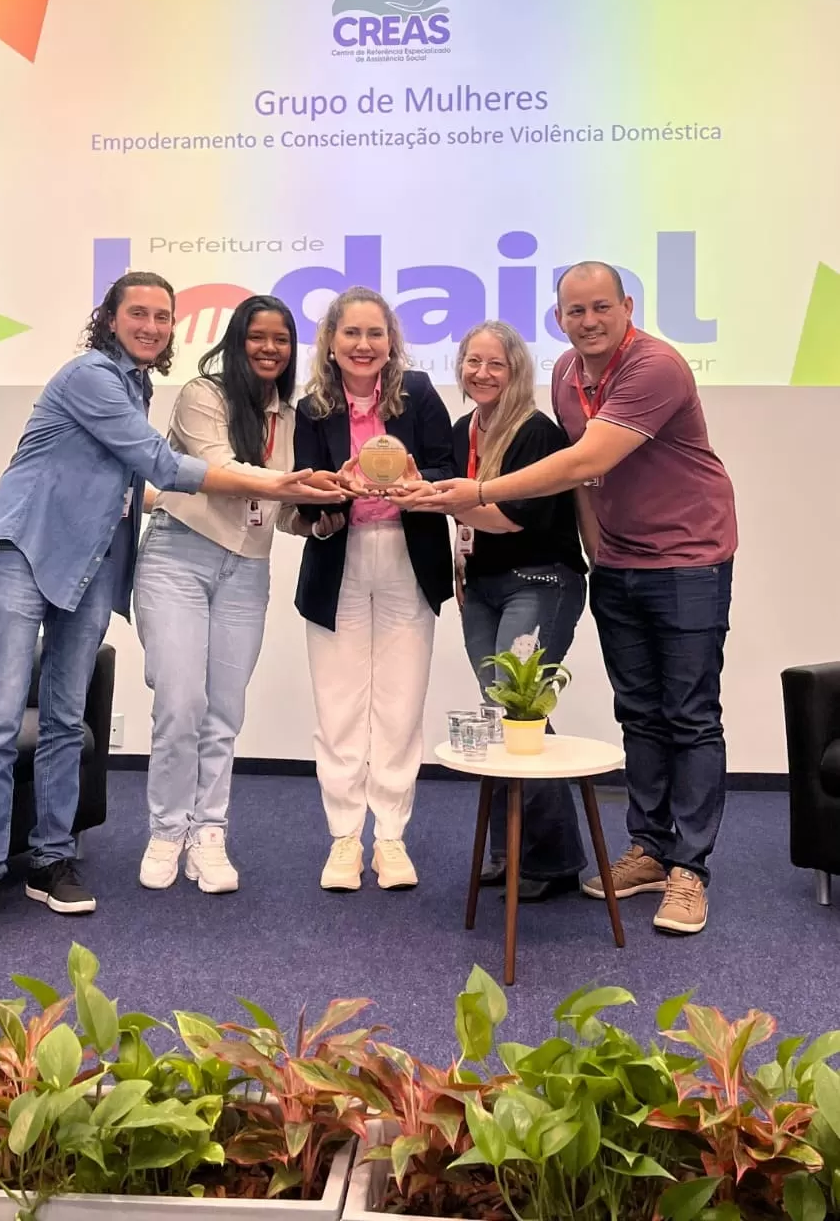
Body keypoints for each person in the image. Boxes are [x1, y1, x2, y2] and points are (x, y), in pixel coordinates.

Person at [0, 272, 342, 948]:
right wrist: (285, 483)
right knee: (1, 721)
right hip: (23, 549)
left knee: (65, 719)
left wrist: (306, 507)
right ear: (110, 317)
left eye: (163, 317)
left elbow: (134, 487)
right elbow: (160, 464)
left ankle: (50, 859)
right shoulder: (92, 376)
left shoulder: (139, 387)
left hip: (91, 563)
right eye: (139, 313)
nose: (152, 327)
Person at [410, 262, 737, 937]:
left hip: (688, 560)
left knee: (690, 714)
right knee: (639, 713)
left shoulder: (655, 367)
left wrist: (479, 491)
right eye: (575, 311)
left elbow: (587, 461)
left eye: (600, 308)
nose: (588, 321)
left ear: (627, 306)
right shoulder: (567, 374)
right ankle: (649, 848)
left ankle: (690, 869)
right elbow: (584, 488)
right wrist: (596, 556)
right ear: (559, 318)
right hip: (617, 564)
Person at [134, 296, 326, 896]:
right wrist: (297, 486)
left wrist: (320, 518)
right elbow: (219, 471)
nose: (270, 349)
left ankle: (208, 831)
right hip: (178, 556)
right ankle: (167, 830)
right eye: (257, 337)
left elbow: (282, 512)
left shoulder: (290, 416)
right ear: (237, 340)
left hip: (247, 570)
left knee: (224, 710)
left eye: (282, 339)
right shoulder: (203, 395)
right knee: (180, 702)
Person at [292, 287, 454, 893]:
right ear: (331, 342)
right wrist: (332, 492)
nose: (364, 345)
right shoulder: (312, 408)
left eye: (375, 333)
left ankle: (389, 836)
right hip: (341, 558)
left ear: (392, 342)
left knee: (400, 702)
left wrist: (417, 480)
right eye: (352, 333)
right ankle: (343, 838)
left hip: (408, 558)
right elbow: (305, 497)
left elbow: (448, 469)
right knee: (338, 704)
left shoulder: (420, 393)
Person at [451, 321, 587, 901]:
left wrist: (442, 499)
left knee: (519, 709)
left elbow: (511, 519)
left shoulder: (538, 433)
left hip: (539, 583)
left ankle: (551, 860)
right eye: (473, 361)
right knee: (502, 713)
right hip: (481, 588)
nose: (482, 373)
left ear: (517, 372)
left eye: (496, 364)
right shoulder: (462, 430)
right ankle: (510, 852)